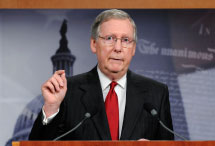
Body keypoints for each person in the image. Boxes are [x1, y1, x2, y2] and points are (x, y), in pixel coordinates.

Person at [29, 9, 174, 141]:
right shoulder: (67, 91)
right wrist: (51, 109)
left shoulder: (156, 94)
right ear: (94, 44)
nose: (118, 48)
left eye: (125, 40)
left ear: (133, 48)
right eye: (110, 38)